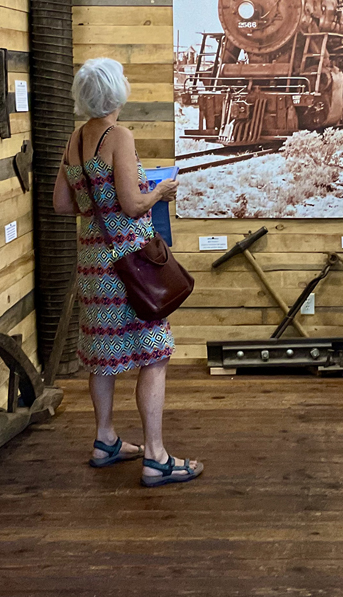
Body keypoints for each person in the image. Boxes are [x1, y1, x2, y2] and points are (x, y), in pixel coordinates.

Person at [52, 58, 202, 487]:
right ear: (116, 92)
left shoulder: (75, 140)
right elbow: (134, 206)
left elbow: (62, 204)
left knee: (103, 357)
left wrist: (94, 198)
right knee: (154, 354)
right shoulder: (118, 136)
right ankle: (156, 457)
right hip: (128, 268)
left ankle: (105, 441)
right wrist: (159, 191)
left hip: (93, 267)